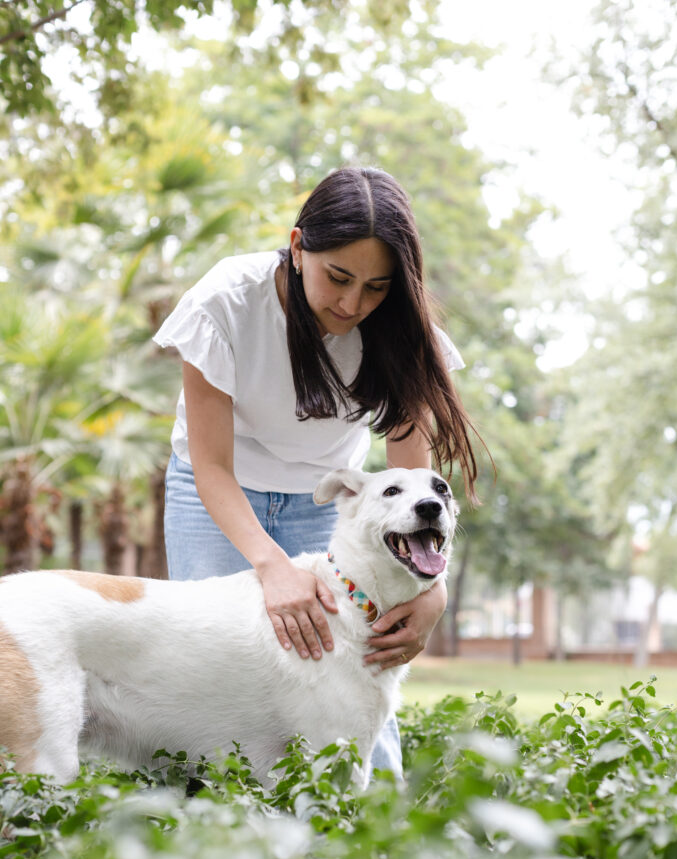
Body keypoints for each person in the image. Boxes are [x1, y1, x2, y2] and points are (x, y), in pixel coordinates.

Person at [154, 166, 480, 777]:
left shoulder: (401, 332)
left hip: (328, 500)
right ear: (299, 247)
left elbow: (415, 485)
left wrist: (430, 591)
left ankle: (372, 823)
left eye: (376, 287)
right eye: (338, 277)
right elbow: (212, 468)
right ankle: (212, 826)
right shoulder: (225, 302)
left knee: (359, 670)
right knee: (212, 675)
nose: (352, 305)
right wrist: (272, 567)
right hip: (218, 494)